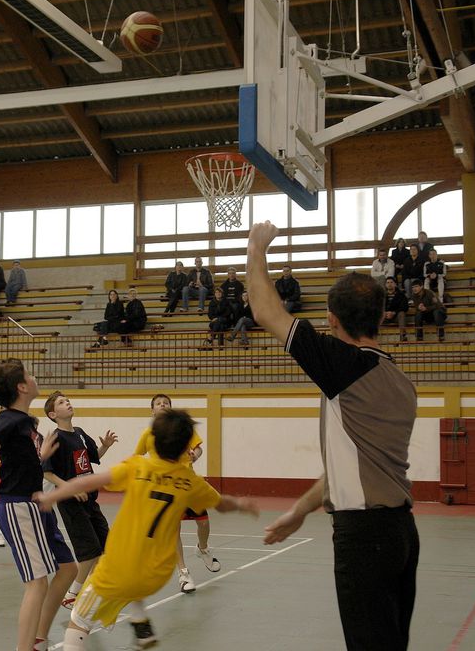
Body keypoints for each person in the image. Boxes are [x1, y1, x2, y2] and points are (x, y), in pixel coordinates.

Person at [247, 220, 419, 651]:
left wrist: (256, 247)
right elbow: (352, 469)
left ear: (331, 318)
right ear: (382, 316)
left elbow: (266, 312)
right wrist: (301, 511)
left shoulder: (345, 366)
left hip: (364, 538)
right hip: (399, 533)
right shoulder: (399, 380)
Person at [39, 408, 259, 651]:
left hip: (119, 570)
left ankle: (128, 622)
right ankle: (140, 621)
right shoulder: (191, 482)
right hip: (157, 576)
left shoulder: (137, 467)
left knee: (78, 622)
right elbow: (222, 504)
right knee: (136, 573)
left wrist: (55, 494)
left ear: (152, 438)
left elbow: (90, 480)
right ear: (187, 446)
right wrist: (241, 504)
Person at [0, 359, 76, 651]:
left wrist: (40, 455)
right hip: (18, 506)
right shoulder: (8, 419)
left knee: (68, 568)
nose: (34, 377)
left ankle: (38, 637)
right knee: (36, 583)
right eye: (29, 374)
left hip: (37, 504)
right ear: (22, 387)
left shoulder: (25, 422)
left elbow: (20, 462)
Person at [133, 394, 219, 594]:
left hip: (187, 484)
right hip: (165, 491)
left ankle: (203, 548)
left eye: (166, 403)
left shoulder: (182, 429)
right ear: (152, 410)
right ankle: (184, 573)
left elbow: (198, 450)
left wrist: (194, 456)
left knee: (204, 522)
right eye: (158, 403)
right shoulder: (148, 434)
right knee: (174, 531)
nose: (162, 405)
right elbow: (137, 457)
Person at [41, 392, 118, 610]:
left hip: (90, 501)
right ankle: (72, 594)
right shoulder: (55, 438)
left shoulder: (80, 434)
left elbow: (93, 458)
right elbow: (47, 473)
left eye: (68, 400)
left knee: (105, 547)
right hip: (70, 502)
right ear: (53, 414)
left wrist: (106, 446)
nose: (68, 403)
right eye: (62, 402)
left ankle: (95, 593)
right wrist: (70, 488)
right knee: (89, 551)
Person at [383, 277, 409, 342]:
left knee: (402, 313)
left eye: (391, 282)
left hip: (396, 316)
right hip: (384, 316)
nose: (389, 284)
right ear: (385, 285)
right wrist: (384, 313)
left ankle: (403, 336)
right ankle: (371, 337)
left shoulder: (401, 295)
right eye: (388, 283)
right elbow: (377, 306)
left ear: (395, 284)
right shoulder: (381, 295)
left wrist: (394, 313)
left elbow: (405, 307)